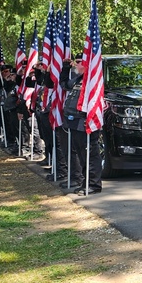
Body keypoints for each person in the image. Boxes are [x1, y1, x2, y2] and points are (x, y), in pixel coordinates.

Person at [62, 59, 103, 196]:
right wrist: (65, 67)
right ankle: (86, 182)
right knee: (81, 153)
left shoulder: (92, 81)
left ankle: (94, 184)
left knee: (90, 153)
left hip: (86, 121)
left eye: (79, 62)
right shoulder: (79, 79)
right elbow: (64, 84)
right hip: (75, 121)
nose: (77, 64)